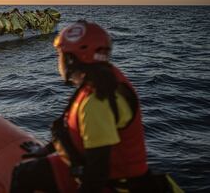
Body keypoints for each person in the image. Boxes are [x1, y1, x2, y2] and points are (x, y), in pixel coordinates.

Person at [11, 20, 181, 193]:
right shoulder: (101, 82)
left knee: (23, 176)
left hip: (118, 185)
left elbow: (97, 174)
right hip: (94, 170)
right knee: (24, 173)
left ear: (71, 59)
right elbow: (73, 132)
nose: (58, 60)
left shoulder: (96, 102)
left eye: (60, 55)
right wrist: (46, 150)